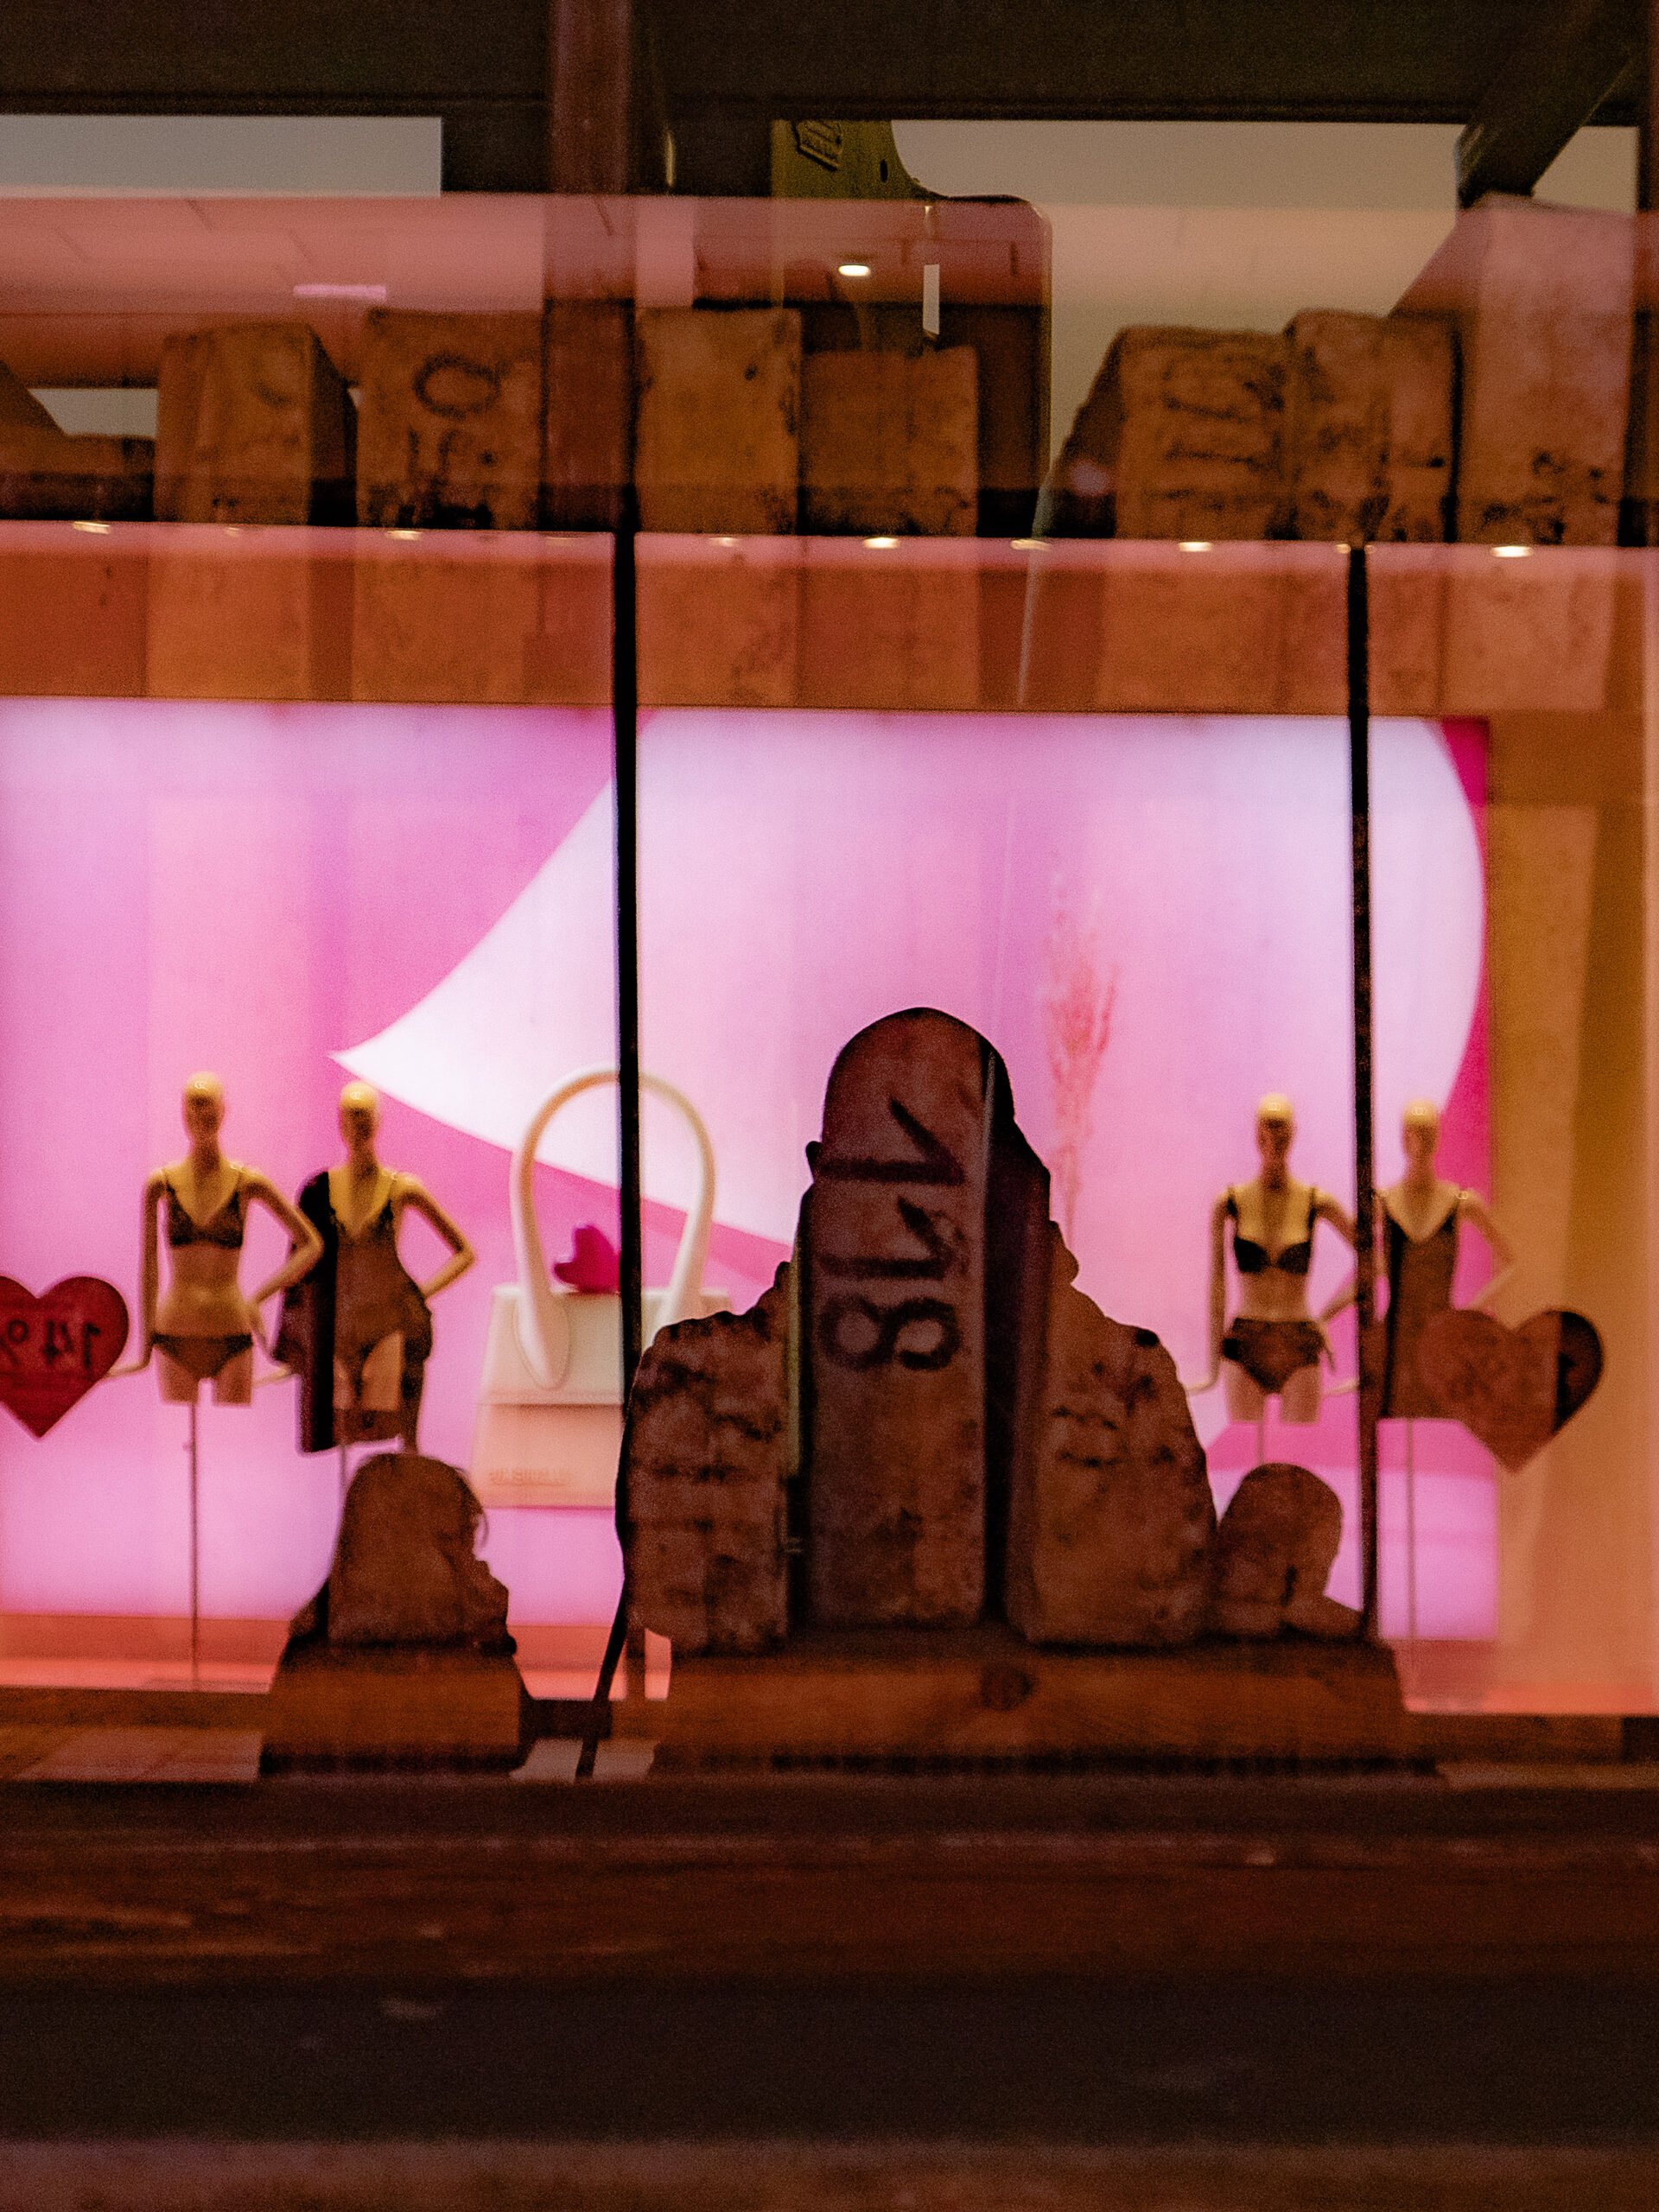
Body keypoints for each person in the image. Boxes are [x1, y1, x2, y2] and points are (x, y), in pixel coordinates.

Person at [276, 1080, 474, 1452]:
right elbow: (298, 1270)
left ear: (379, 1121)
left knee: (386, 1430)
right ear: (340, 1122)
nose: (359, 1124)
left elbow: (464, 1252)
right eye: (352, 1116)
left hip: (386, 1328)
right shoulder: (319, 1190)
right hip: (337, 1330)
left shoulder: (402, 1189)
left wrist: (416, 1295)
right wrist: (293, 1343)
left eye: (365, 1115)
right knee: (338, 1430)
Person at [115, 1071, 322, 1405]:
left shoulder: (248, 1182)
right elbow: (149, 1268)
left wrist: (260, 1297)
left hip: (232, 1333)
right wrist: (143, 1349)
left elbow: (311, 1244)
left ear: (224, 1111)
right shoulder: (161, 1184)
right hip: (174, 1334)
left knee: (231, 1431)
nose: (201, 1114)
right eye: (193, 1105)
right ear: (183, 1112)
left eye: (208, 1105)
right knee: (179, 1432)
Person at [1192, 1092, 1356, 1428]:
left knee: (1298, 1453)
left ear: (1293, 1134)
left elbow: (1376, 1262)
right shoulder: (1230, 1203)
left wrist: (1327, 1315)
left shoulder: (1316, 1202)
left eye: (1281, 1129)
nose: (1273, 1137)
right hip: (1245, 1342)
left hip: (1298, 1340)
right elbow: (1217, 1285)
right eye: (1267, 1128)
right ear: (1256, 1133)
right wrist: (1211, 1368)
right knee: (1246, 1448)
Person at [1376, 1096, 1514, 1418]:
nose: (1420, 1142)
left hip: (1442, 1339)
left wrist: (1474, 1309)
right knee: (1395, 1419)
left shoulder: (1462, 1203)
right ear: (1402, 1137)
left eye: (1427, 1133)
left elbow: (1511, 1262)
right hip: (1394, 1339)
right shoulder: (1382, 1203)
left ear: (1438, 1138)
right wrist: (1328, 1315)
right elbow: (1367, 1266)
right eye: (1413, 1132)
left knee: (1437, 1419)